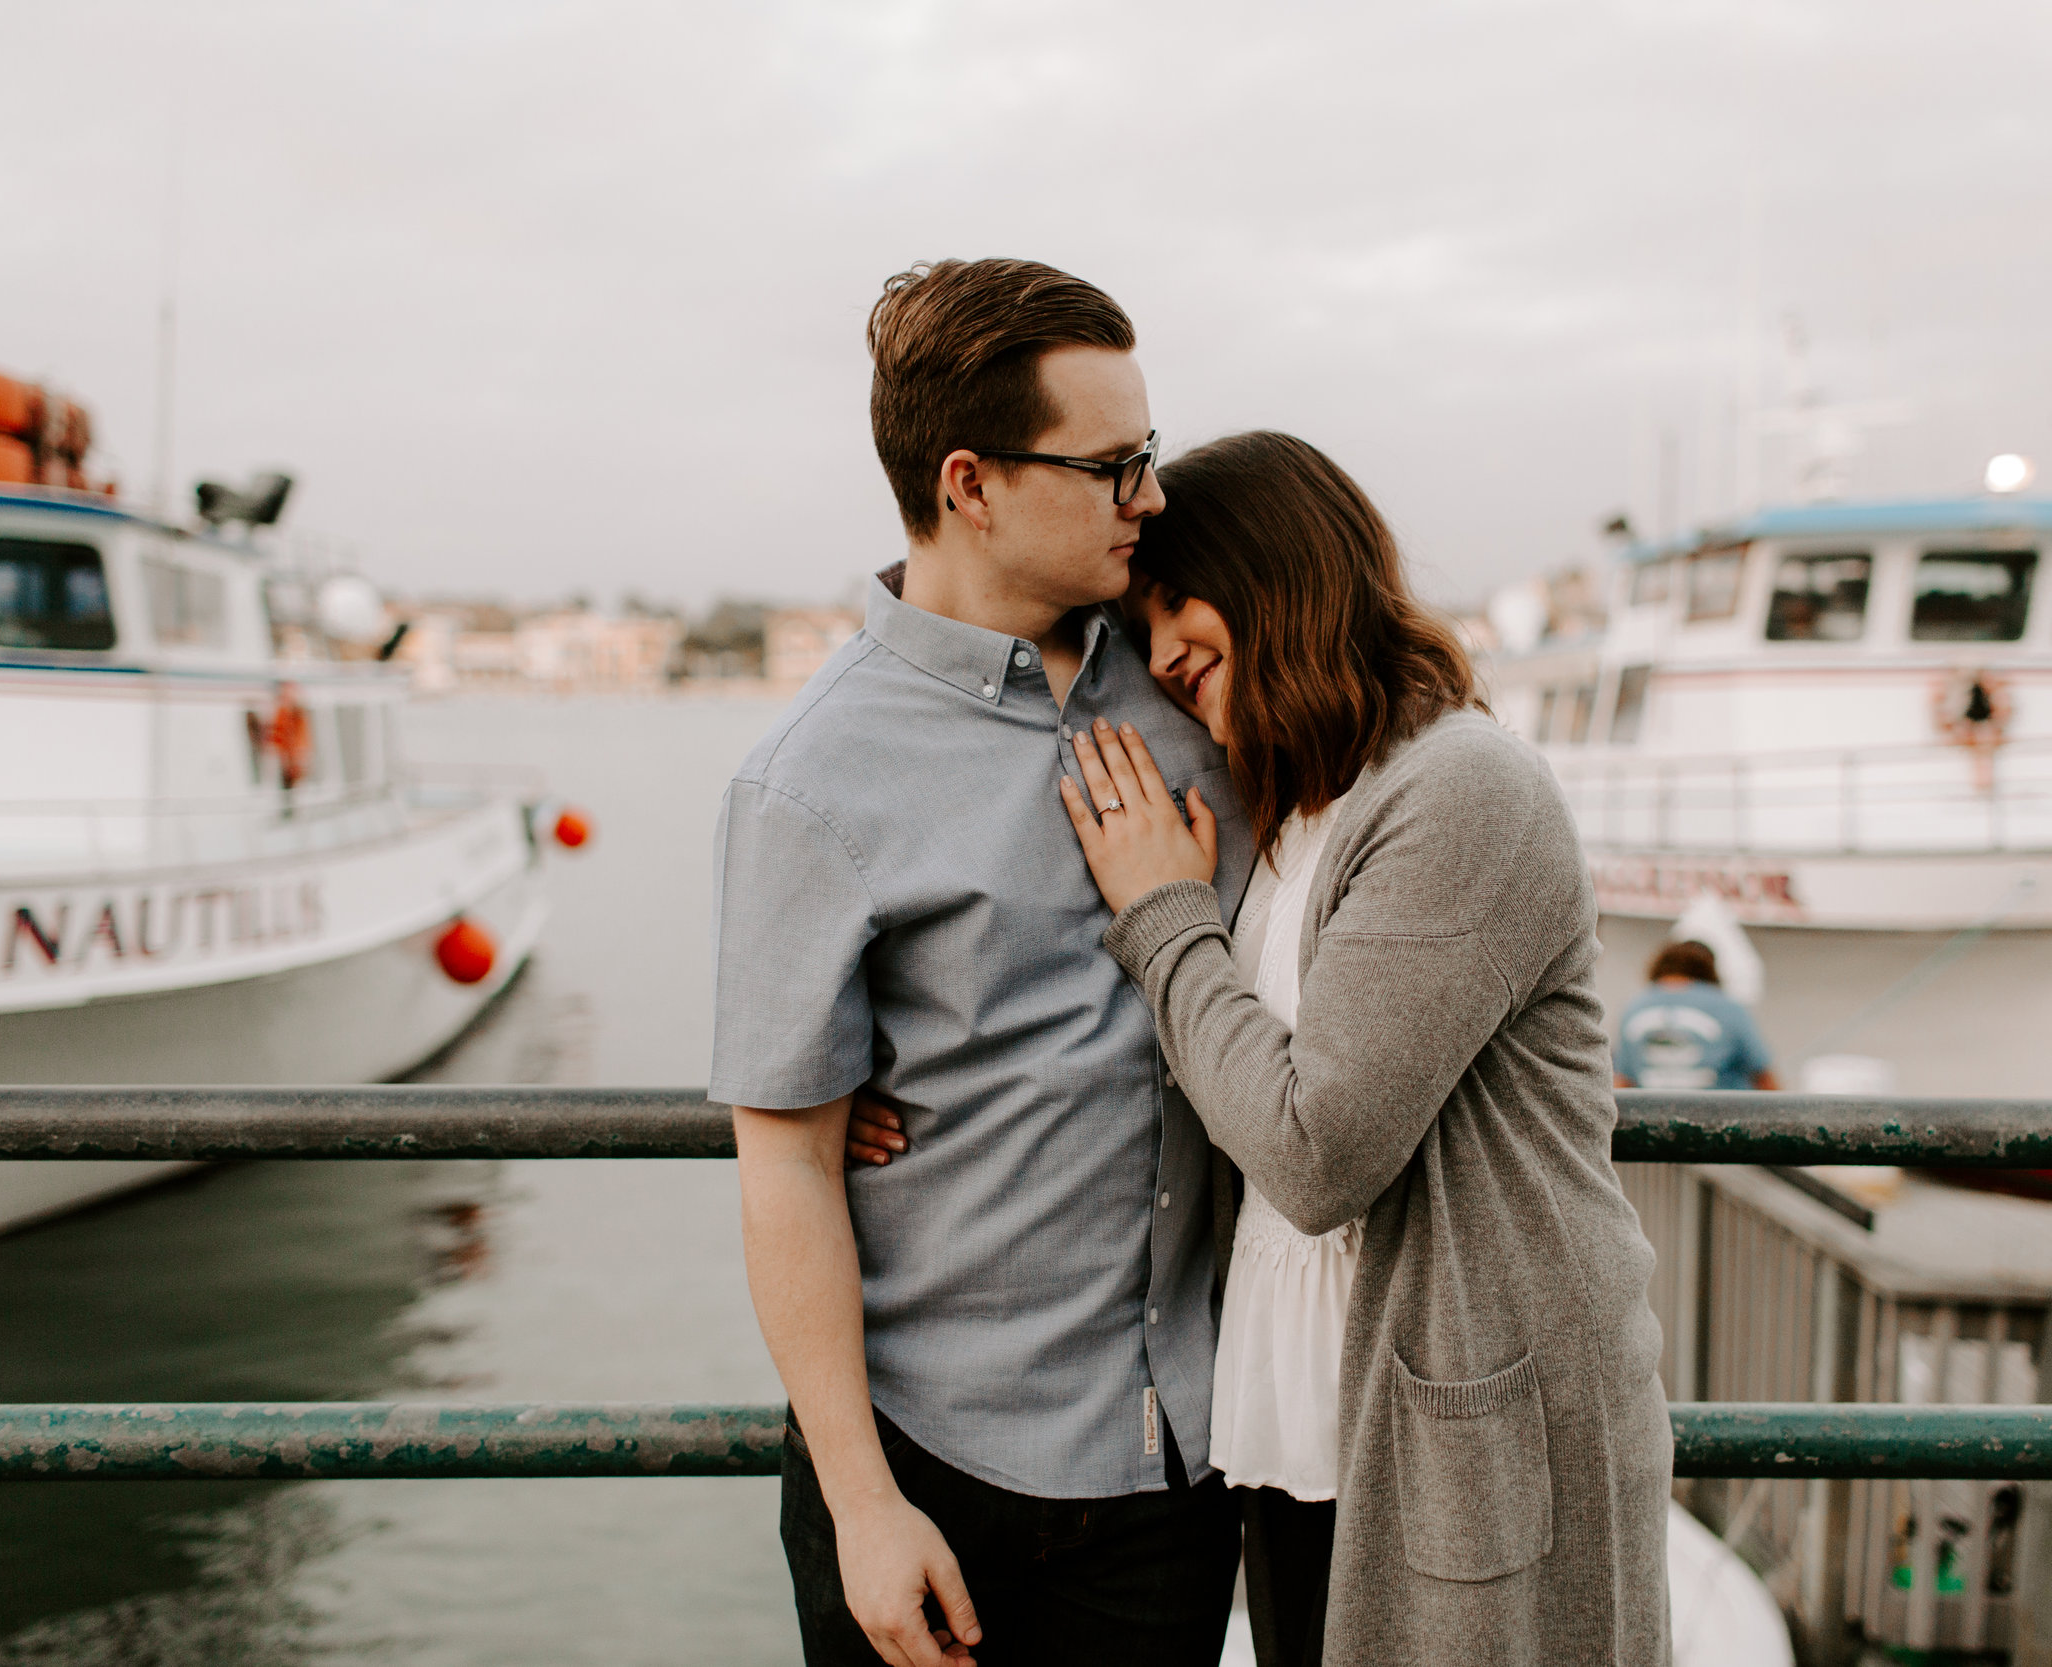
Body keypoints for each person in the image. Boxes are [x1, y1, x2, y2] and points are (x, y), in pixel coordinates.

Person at [964, 430, 1671, 1665]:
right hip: (1302, 1421)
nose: (1160, 645)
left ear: (1278, 568)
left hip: (1459, 1423)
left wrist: (1160, 913)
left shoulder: (1459, 789)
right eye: (1137, 617)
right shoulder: (1288, 808)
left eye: (1174, 597)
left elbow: (1316, 1145)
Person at [713, 259, 1251, 1667]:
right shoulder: (809, 781)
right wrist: (863, 1506)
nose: (1152, 496)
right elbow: (782, 1160)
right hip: (930, 1475)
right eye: (1114, 466)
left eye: (1152, 456)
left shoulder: (1205, 679)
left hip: (1181, 1475)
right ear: (972, 482)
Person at [1611, 939, 1780, 1091]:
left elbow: (1622, 1082)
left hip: (1651, 1121)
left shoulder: (1634, 1007)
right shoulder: (1729, 1008)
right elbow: (1764, 1077)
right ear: (1709, 970)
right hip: (1719, 1121)